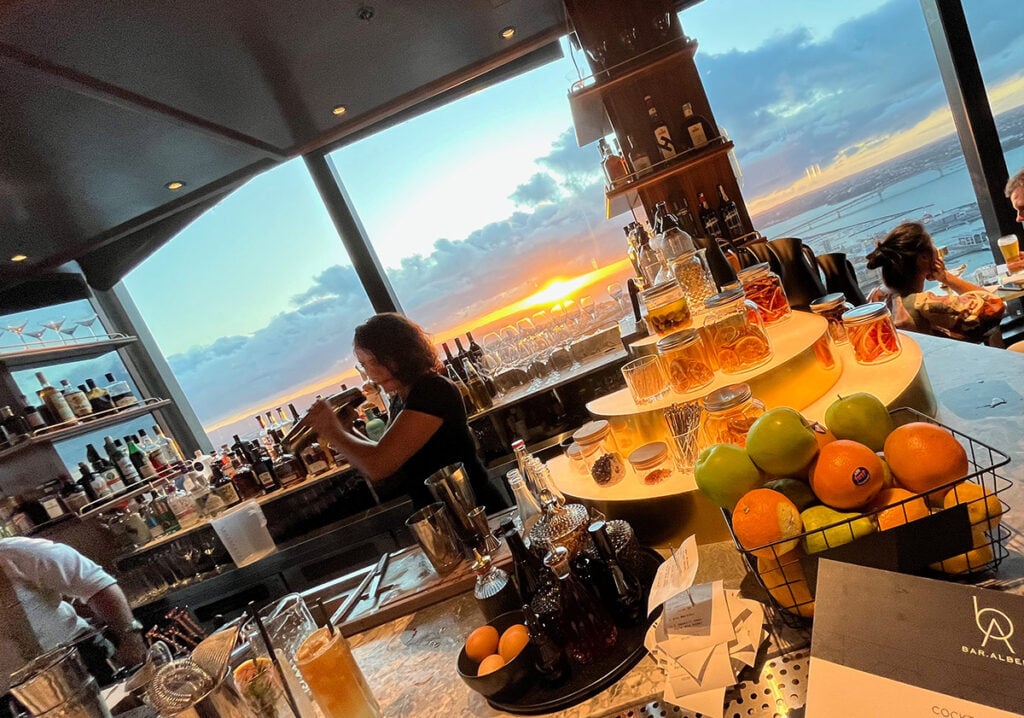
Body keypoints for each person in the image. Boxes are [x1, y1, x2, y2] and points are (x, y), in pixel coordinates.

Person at [306, 313, 505, 511]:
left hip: (474, 509)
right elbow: (388, 456)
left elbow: (379, 464)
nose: (373, 372)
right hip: (447, 513)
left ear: (404, 353)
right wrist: (348, 429)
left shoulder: (432, 390)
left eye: (377, 361)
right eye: (365, 364)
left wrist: (331, 429)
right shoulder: (401, 399)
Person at [0, 536, 147, 695]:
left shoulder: (14, 553)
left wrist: (130, 641)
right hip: (12, 696)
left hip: (81, 663)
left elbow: (95, 583)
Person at [865, 221, 1005, 342]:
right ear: (924, 257)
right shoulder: (923, 305)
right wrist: (946, 278)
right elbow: (995, 306)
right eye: (932, 244)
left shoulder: (878, 299)